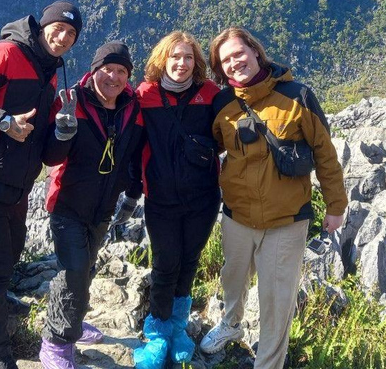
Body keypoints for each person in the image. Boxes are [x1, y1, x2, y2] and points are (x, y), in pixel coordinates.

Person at [200, 27, 348, 369]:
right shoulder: (222, 105)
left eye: (239, 53)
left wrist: (336, 206)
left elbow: (325, 154)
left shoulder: (298, 97)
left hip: (286, 220)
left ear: (255, 51)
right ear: (220, 71)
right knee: (232, 279)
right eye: (226, 61)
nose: (235, 62)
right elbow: (212, 147)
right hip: (237, 215)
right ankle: (231, 325)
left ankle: (268, 363)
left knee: (276, 300)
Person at [0, 1, 83, 369]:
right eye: (58, 28)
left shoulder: (51, 72)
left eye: (71, 34)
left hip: (18, 185)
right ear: (43, 26)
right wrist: (4, 121)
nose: (63, 37)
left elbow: (48, 155)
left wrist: (64, 132)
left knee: (10, 255)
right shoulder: (6, 53)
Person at [38, 41, 144, 369]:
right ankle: (55, 342)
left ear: (128, 76)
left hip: (103, 206)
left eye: (121, 71)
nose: (113, 76)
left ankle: (73, 322)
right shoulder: (71, 102)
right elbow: (51, 156)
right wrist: (63, 131)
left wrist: (133, 194)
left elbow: (135, 154)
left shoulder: (132, 109)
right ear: (95, 70)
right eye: (107, 69)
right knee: (73, 272)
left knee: (85, 269)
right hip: (67, 203)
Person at [123, 32, 221, 368]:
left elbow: (225, 135)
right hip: (161, 198)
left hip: (204, 198)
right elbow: (133, 145)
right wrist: (130, 190)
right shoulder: (145, 95)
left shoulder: (209, 94)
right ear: (162, 59)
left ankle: (178, 327)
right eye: (175, 57)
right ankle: (157, 332)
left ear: (197, 63)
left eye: (188, 57)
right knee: (166, 263)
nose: (181, 63)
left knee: (189, 261)